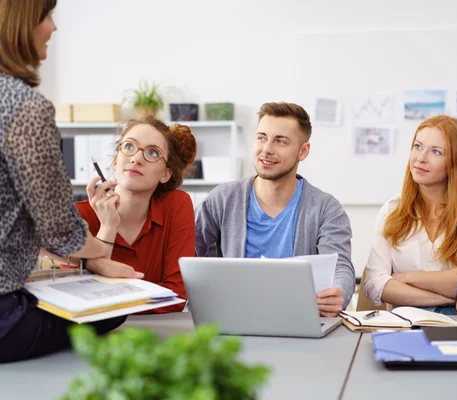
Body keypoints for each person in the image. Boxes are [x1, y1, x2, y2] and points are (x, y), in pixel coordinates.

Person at [0, 0, 141, 363]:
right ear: (22, 24)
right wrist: (99, 254)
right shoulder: (24, 107)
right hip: (3, 316)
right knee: (113, 309)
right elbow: (61, 233)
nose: (53, 28)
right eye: (47, 17)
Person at [195, 102, 355, 316]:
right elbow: (187, 249)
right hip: (234, 319)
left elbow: (340, 266)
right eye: (262, 137)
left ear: (303, 151)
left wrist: (339, 292)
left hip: (299, 320)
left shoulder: (326, 208)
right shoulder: (223, 198)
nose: (266, 149)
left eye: (280, 141)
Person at [364, 115, 457, 315]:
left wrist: (405, 277)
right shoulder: (391, 211)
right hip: (405, 325)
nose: (421, 158)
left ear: (455, 162)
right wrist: (447, 296)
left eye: (436, 151)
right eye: (417, 146)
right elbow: (375, 284)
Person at [75, 116, 197, 312]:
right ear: (116, 161)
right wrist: (108, 226)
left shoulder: (176, 206)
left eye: (152, 153)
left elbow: (176, 296)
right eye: (129, 147)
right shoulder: (79, 215)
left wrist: (113, 303)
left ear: (165, 174)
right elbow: (79, 300)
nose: (136, 158)